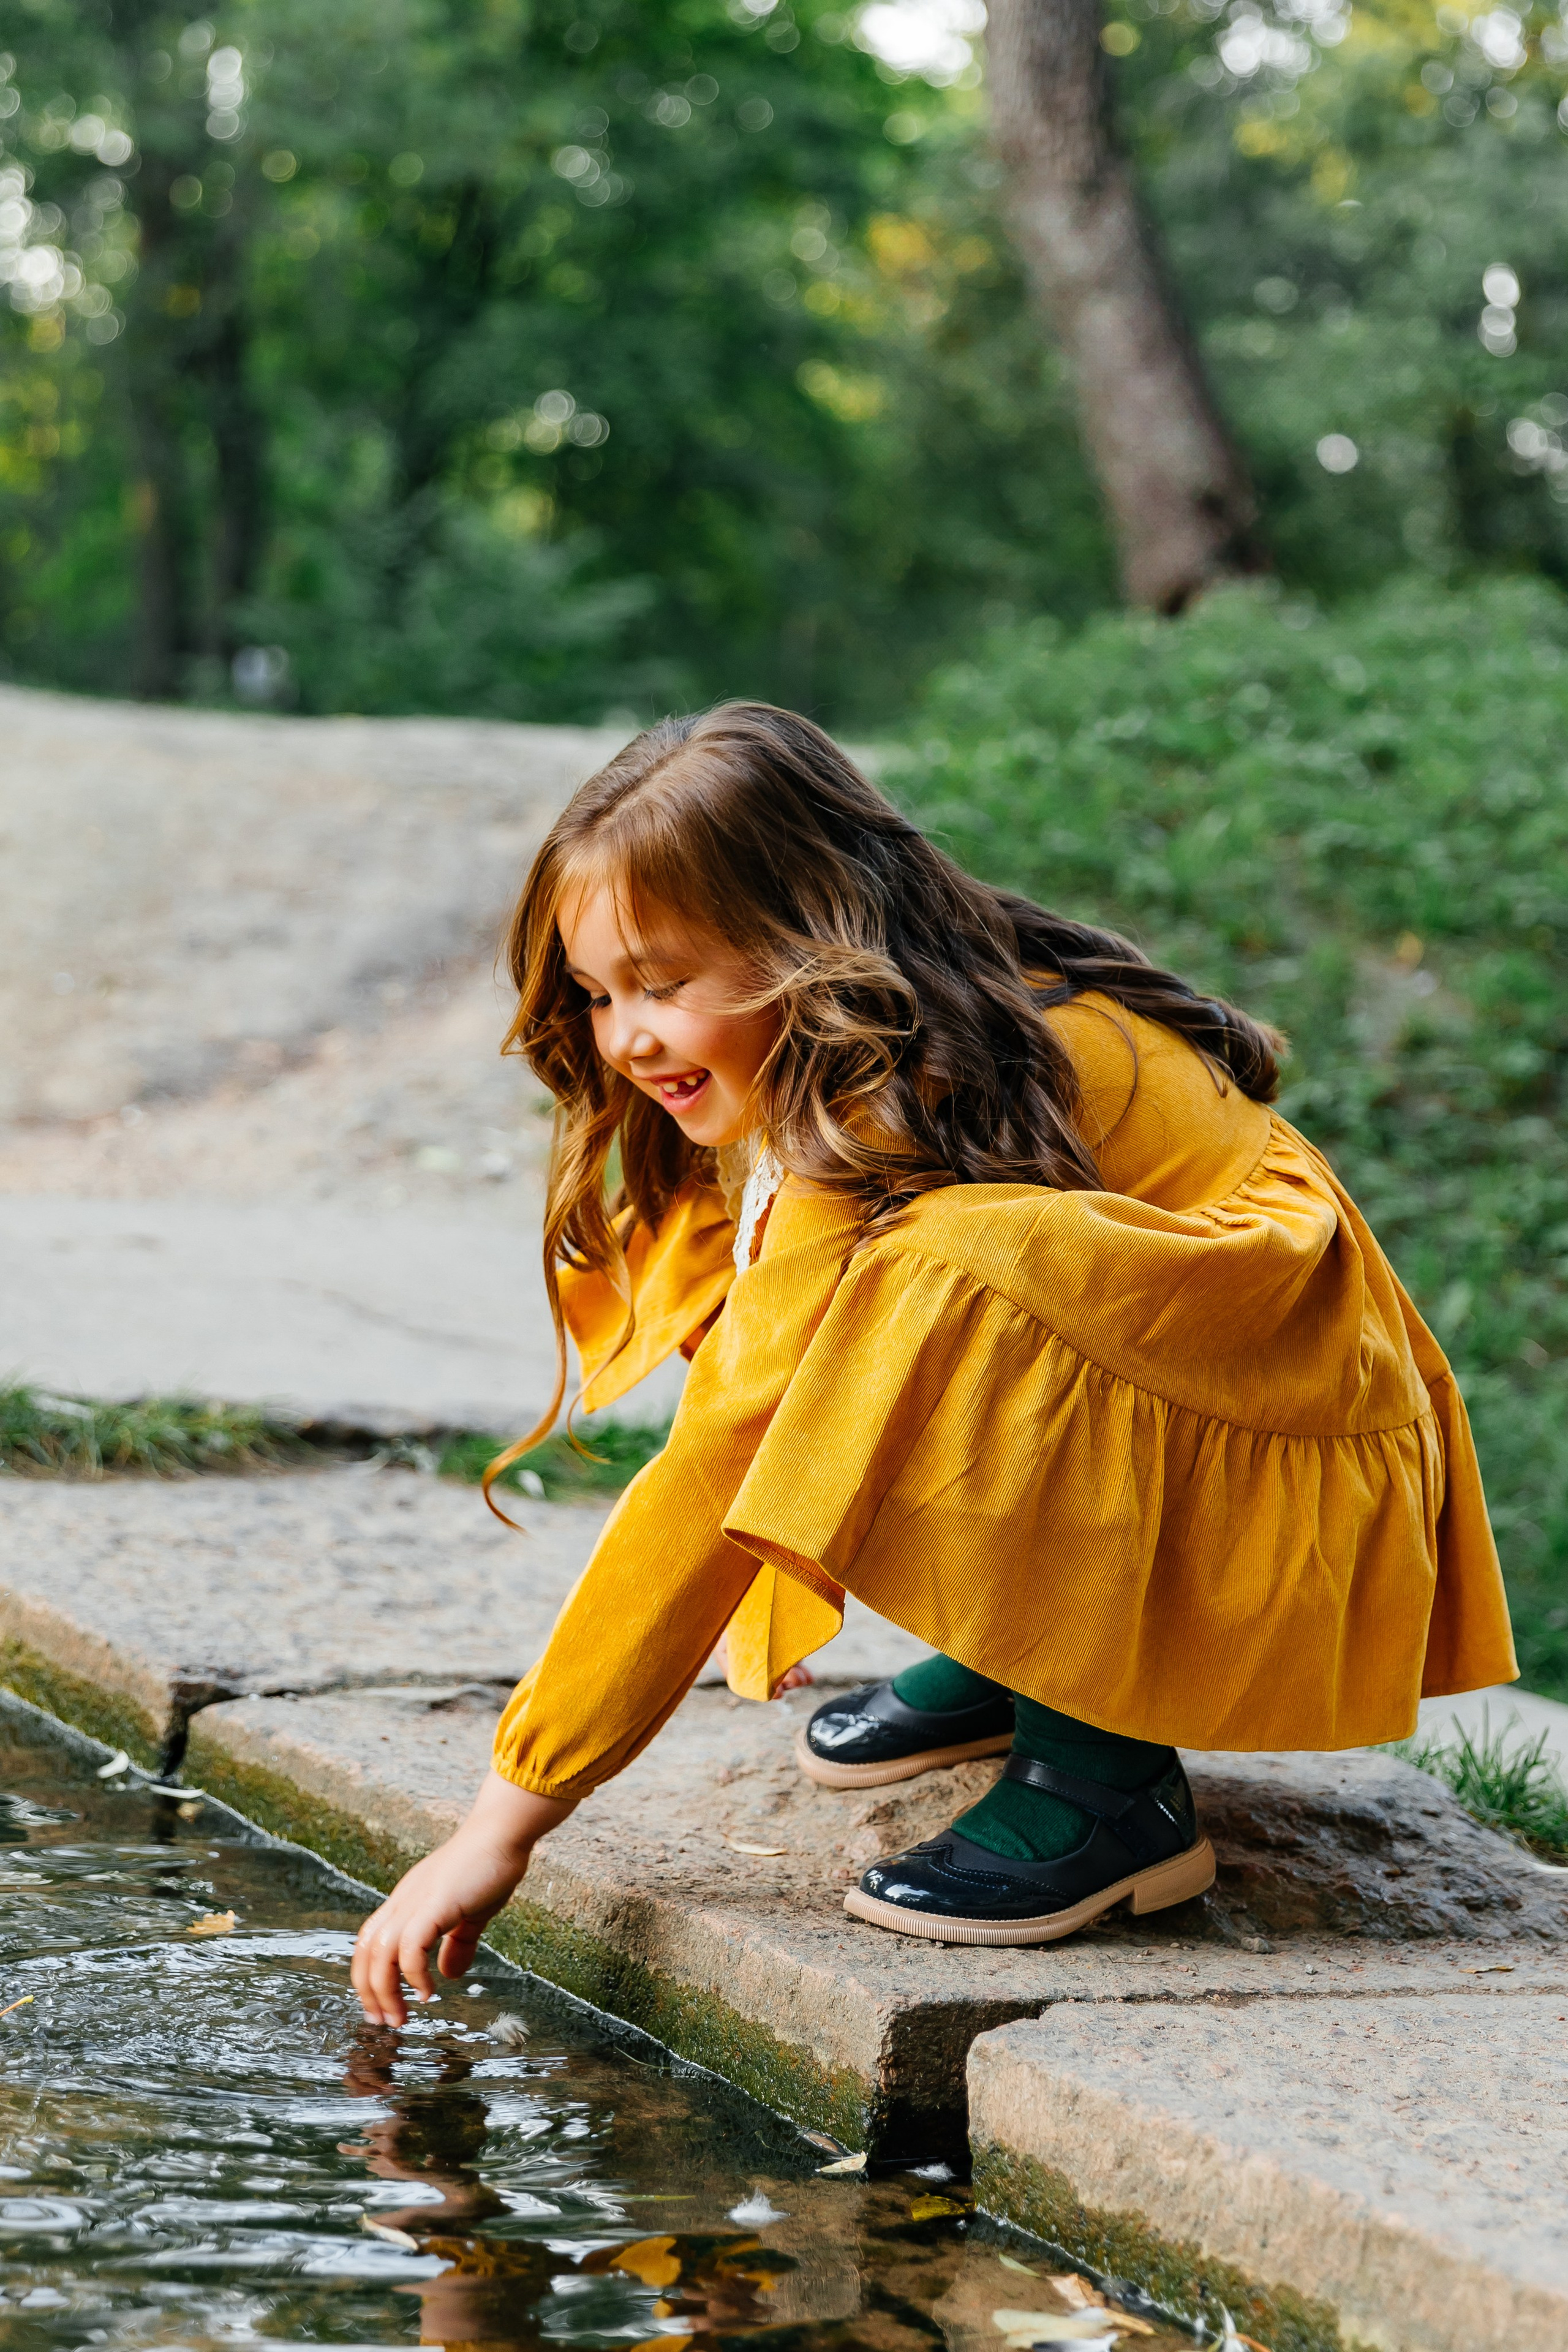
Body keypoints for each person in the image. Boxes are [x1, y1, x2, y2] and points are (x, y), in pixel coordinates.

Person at [351, 703, 1515, 2021]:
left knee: (942, 1282)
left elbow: (720, 1458)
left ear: (807, 933)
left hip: (1286, 1444)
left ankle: (1107, 1785)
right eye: (600, 991)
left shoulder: (912, 1084)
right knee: (889, 1293)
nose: (625, 1036)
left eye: (666, 984)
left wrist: (500, 1824)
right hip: (1210, 1405)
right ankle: (1022, 1656)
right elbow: (763, 1383)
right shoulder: (880, 1040)